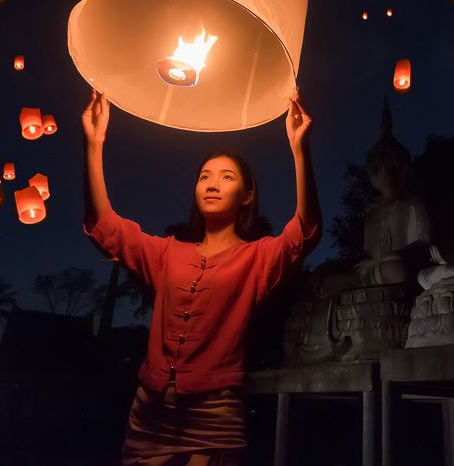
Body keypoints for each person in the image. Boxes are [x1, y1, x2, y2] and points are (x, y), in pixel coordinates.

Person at [82, 88, 321, 465]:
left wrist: (298, 149)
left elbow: (305, 231)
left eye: (226, 177)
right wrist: (94, 144)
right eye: (205, 176)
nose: (211, 183)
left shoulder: (256, 258)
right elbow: (105, 227)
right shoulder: (167, 253)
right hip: (150, 412)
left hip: (214, 412)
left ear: (247, 195)